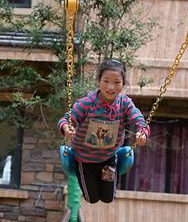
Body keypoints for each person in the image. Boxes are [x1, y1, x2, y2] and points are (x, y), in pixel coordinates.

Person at [57, 59, 148, 204]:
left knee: (108, 198)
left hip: (108, 159)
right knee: (91, 198)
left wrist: (142, 132)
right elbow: (66, 119)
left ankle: (118, 159)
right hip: (84, 159)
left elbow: (138, 119)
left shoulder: (125, 103)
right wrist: (66, 128)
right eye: (106, 81)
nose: (111, 87)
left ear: (123, 84)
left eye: (117, 82)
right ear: (98, 81)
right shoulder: (87, 103)